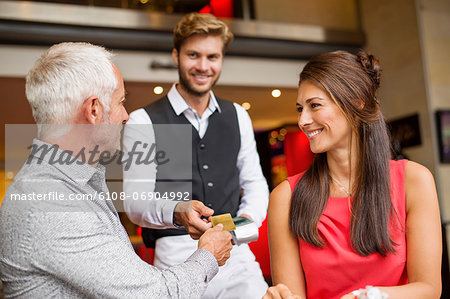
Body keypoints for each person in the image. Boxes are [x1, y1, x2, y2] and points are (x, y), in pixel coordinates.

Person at [0, 42, 233, 298]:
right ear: (94, 110)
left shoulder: (72, 179)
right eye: (120, 102)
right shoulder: (50, 203)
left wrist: (176, 212)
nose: (126, 116)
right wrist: (209, 254)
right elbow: (157, 295)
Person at [264, 51, 442, 299]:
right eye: (300, 108)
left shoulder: (414, 180)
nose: (303, 120)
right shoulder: (286, 196)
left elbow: (429, 289)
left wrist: (371, 297)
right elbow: (291, 294)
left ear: (357, 102)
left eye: (314, 105)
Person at [122, 12, 269, 298]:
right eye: (193, 55)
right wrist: (177, 211)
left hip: (235, 252)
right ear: (176, 56)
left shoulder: (237, 115)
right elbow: (135, 203)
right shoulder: (144, 121)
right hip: (175, 255)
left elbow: (255, 183)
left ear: (221, 59)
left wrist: (240, 227)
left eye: (212, 57)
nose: (203, 66)